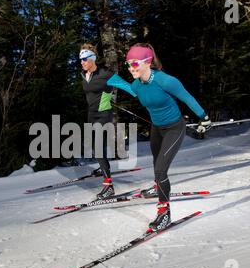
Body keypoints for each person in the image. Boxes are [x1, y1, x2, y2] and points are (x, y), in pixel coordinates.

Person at [107, 43, 211, 231]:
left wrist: (203, 117)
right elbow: (135, 91)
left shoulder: (165, 81)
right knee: (157, 163)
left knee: (161, 170)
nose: (131, 68)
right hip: (157, 128)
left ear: (147, 62)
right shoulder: (137, 84)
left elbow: (187, 98)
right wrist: (114, 81)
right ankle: (158, 187)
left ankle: (164, 213)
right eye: (128, 64)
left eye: (135, 63)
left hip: (174, 127)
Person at [79, 43, 116, 200]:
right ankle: (103, 166)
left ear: (93, 59)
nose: (82, 62)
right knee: (93, 146)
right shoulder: (83, 75)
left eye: (85, 59)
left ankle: (109, 187)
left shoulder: (105, 73)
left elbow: (124, 85)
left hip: (103, 114)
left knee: (98, 147)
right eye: (80, 59)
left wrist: (109, 96)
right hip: (91, 114)